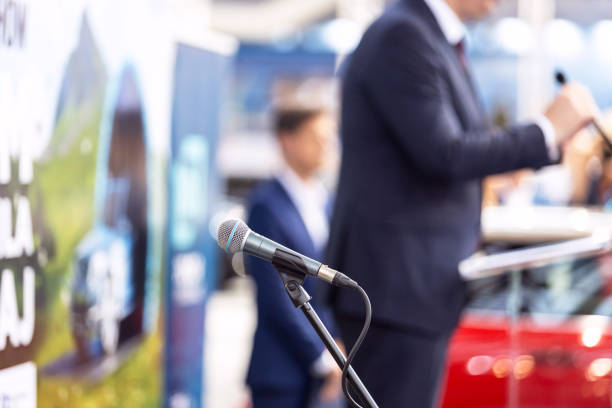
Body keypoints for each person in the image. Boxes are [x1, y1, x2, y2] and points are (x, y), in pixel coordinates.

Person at [325, 0, 601, 407]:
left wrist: (548, 140)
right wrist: (545, 129)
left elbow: (456, 151)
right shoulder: (403, 35)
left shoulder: (427, 36)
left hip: (411, 290)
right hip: (397, 290)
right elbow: (445, 153)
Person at [245, 107, 344, 408]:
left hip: (327, 370)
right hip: (282, 371)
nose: (325, 146)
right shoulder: (266, 205)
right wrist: (322, 357)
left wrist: (337, 350)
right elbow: (276, 295)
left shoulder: (326, 200)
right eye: (315, 137)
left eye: (329, 138)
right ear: (286, 140)